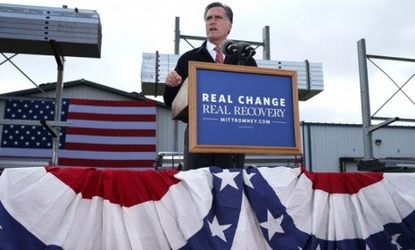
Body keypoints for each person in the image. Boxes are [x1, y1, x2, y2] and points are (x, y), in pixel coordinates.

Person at [163, 2, 257, 170]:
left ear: (229, 26)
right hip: (197, 137)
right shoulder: (188, 58)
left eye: (218, 18)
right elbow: (170, 102)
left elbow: (255, 95)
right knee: (197, 189)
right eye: (208, 18)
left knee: (229, 192)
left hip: (233, 135)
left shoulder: (245, 59)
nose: (212, 22)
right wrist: (171, 85)